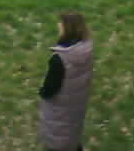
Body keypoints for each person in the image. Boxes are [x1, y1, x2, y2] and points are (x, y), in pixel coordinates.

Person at [38, 11, 93, 151]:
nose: (58, 25)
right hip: (76, 105)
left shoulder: (60, 59)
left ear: (67, 28)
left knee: (59, 141)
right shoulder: (86, 49)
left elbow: (50, 89)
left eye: (61, 23)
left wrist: (42, 91)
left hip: (59, 111)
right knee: (71, 136)